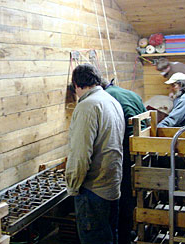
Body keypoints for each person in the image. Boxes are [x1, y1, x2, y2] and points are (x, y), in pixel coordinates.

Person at [66, 63, 125, 244]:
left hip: (93, 190)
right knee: (109, 237)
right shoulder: (111, 101)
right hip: (112, 185)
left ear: (76, 85)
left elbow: (80, 155)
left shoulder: (87, 107)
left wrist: (73, 187)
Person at [101, 79, 146, 244]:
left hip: (126, 146)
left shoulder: (106, 96)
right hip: (142, 145)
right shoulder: (131, 94)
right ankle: (132, 230)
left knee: (124, 193)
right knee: (134, 191)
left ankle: (124, 236)